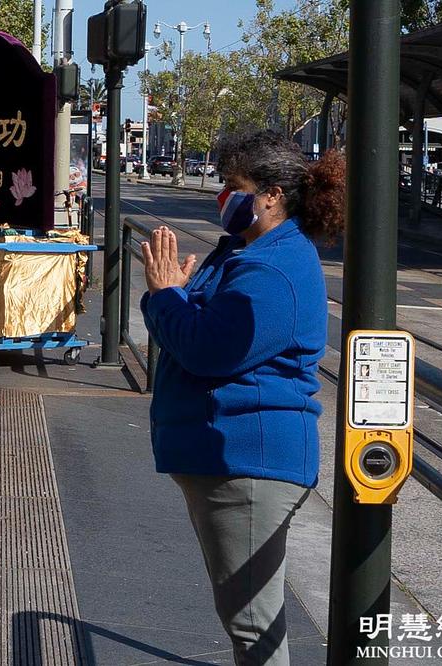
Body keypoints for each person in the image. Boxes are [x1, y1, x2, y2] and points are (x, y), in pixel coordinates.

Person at [140, 129, 345, 666]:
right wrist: (179, 297)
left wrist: (165, 298)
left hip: (247, 462)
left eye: (234, 185)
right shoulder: (247, 250)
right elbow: (207, 324)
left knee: (253, 626)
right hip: (228, 454)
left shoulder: (274, 268)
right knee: (247, 620)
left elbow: (209, 348)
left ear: (271, 194)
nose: (222, 195)